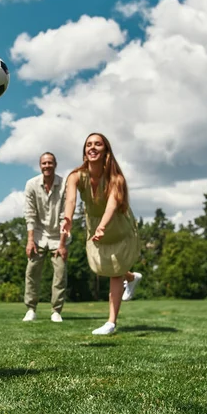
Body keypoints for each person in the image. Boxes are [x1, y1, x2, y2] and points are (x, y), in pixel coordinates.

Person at [61, 133, 141, 335]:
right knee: (102, 267)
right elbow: (70, 200)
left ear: (106, 150)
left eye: (98, 144)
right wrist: (68, 219)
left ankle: (111, 323)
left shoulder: (116, 178)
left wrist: (103, 226)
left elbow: (112, 205)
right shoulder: (76, 176)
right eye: (89, 145)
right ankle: (130, 277)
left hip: (117, 225)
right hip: (94, 224)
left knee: (114, 271)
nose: (92, 147)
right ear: (84, 152)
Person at [23, 152, 69, 323]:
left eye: (50, 163)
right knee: (32, 272)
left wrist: (63, 244)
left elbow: (66, 216)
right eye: (44, 163)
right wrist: (30, 241)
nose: (47, 166)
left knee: (60, 273)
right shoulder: (31, 185)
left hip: (59, 236)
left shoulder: (65, 184)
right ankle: (31, 309)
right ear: (40, 165)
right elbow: (30, 214)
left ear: (55, 164)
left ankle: (56, 310)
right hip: (38, 235)